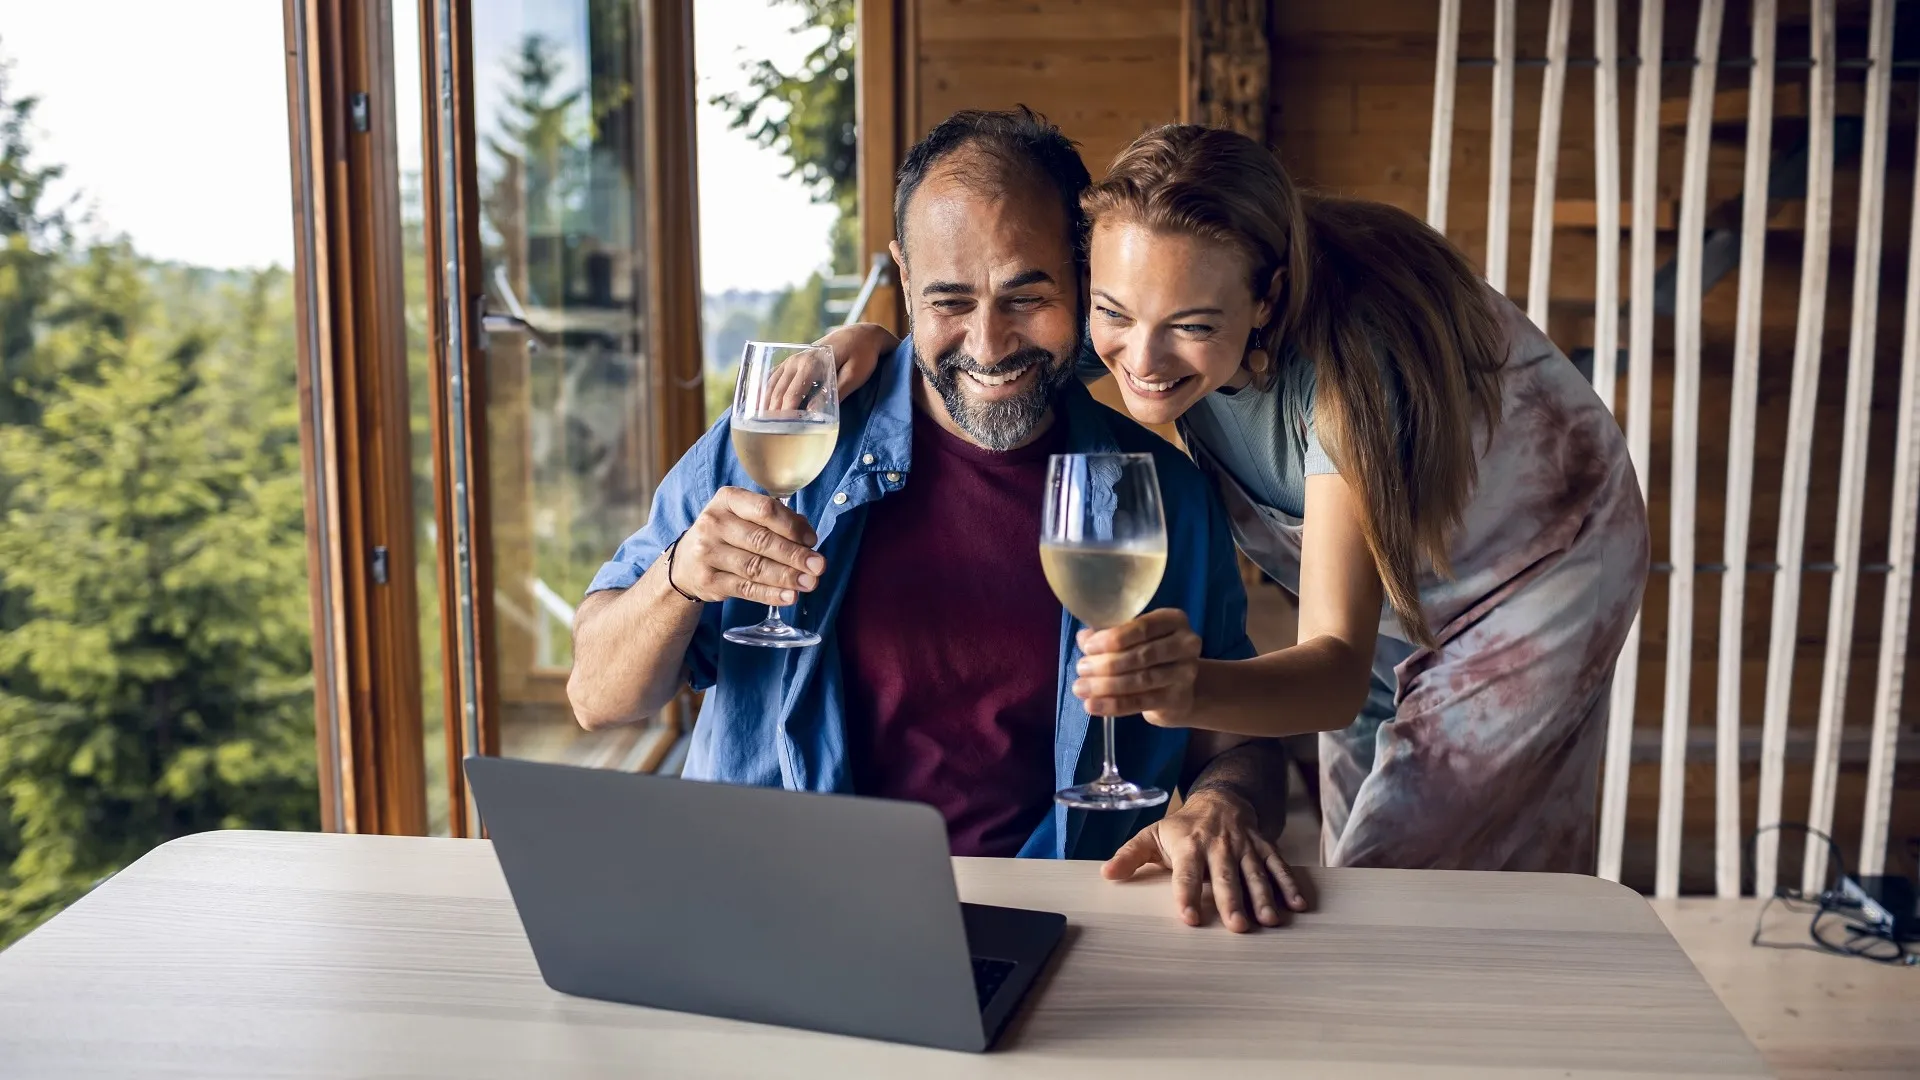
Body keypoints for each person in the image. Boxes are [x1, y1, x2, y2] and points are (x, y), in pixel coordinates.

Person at [828, 124, 1650, 874]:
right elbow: (988, 344)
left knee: (1398, 868)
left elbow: (1329, 673)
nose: (1139, 361)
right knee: (1350, 852)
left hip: (1540, 565)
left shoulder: (1344, 382)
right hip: (1399, 582)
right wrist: (876, 344)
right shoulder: (1140, 293)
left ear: (1266, 300)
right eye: (1111, 314)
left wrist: (1189, 692)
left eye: (1189, 325)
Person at [568, 109, 1306, 930]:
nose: (988, 344)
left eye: (1027, 296)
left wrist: (1223, 806)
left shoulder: (1165, 496)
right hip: (773, 912)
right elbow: (597, 698)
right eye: (949, 300)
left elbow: (1236, 745)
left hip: (1053, 928)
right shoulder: (780, 435)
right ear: (904, 280)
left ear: (1082, 275)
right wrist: (677, 579)